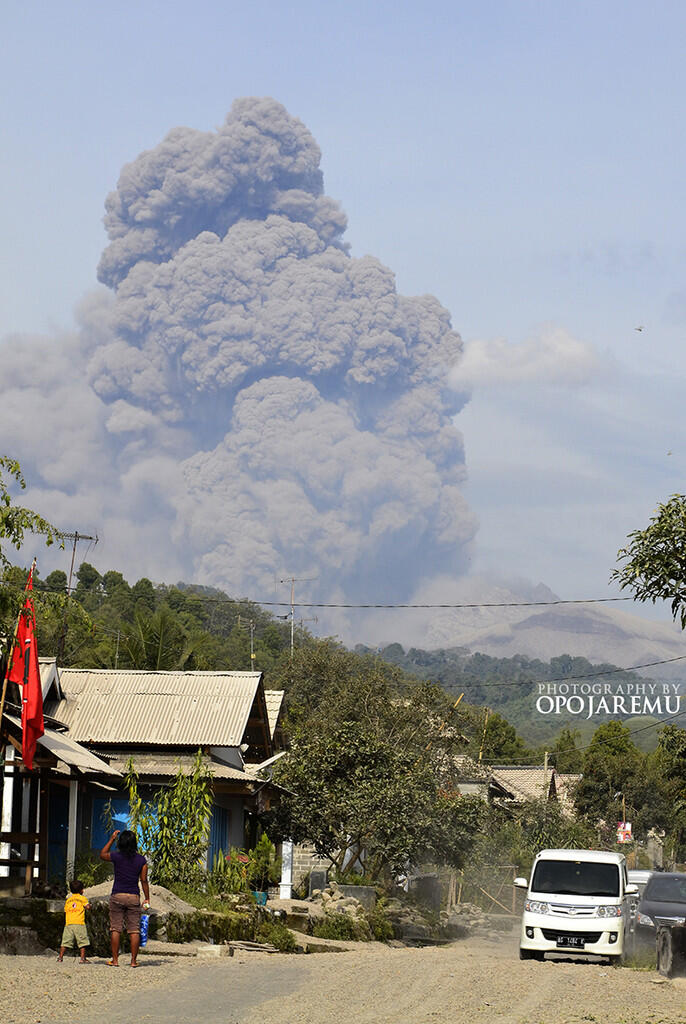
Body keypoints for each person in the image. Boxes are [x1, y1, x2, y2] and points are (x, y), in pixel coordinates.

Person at [100, 828, 150, 967]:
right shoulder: (141, 860)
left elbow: (102, 854)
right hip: (133, 896)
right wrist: (147, 898)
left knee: (116, 928)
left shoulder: (116, 856)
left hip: (117, 895)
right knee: (134, 930)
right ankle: (133, 961)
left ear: (121, 843)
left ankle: (115, 960)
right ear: (134, 843)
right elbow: (144, 880)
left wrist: (111, 839)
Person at [58, 879, 90, 962]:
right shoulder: (83, 898)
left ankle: (60, 957)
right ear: (82, 890)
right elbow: (88, 907)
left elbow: (66, 910)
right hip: (79, 923)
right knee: (82, 941)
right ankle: (82, 958)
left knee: (65, 941)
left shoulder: (68, 900)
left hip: (69, 923)